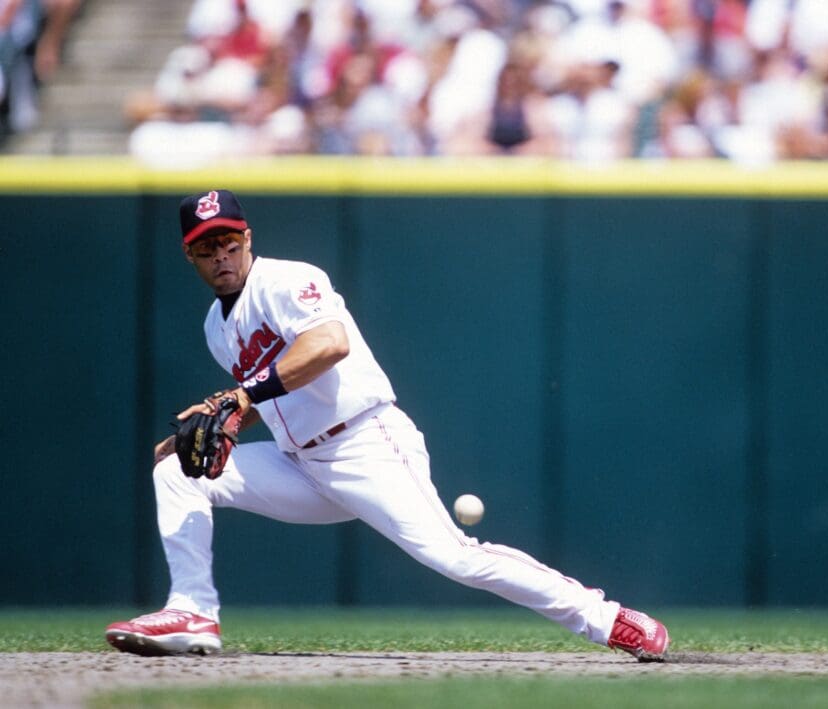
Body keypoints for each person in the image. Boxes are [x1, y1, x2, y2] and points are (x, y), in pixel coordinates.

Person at [105, 189, 670, 662]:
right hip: (300, 463)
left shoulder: (286, 281)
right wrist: (229, 416)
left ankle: (605, 617)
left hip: (365, 443)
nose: (222, 255)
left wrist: (241, 395)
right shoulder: (215, 326)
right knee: (178, 473)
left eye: (230, 241)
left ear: (248, 239)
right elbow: (272, 390)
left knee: (456, 557)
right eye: (207, 248)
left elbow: (329, 344)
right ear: (191, 258)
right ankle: (194, 613)